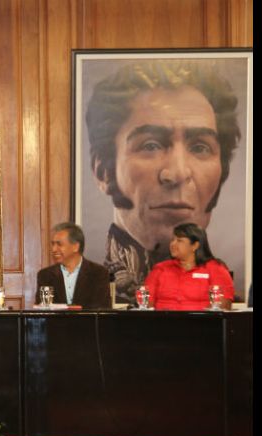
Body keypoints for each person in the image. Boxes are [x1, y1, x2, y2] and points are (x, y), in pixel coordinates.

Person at [86, 60, 242, 304]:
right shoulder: (95, 284)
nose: (178, 173)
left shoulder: (217, 274)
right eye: (150, 145)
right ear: (103, 169)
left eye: (200, 147)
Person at [144, 223, 234, 311]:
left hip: (202, 324)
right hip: (163, 323)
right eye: (172, 240)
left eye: (179, 240)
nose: (173, 244)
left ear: (195, 245)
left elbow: (222, 307)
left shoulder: (216, 269)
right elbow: (146, 305)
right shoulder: (160, 269)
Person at [35, 223, 111, 309]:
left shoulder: (98, 273)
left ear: (76, 247)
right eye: (53, 244)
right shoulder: (45, 275)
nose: (54, 249)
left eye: (59, 244)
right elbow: (42, 310)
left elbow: (102, 309)